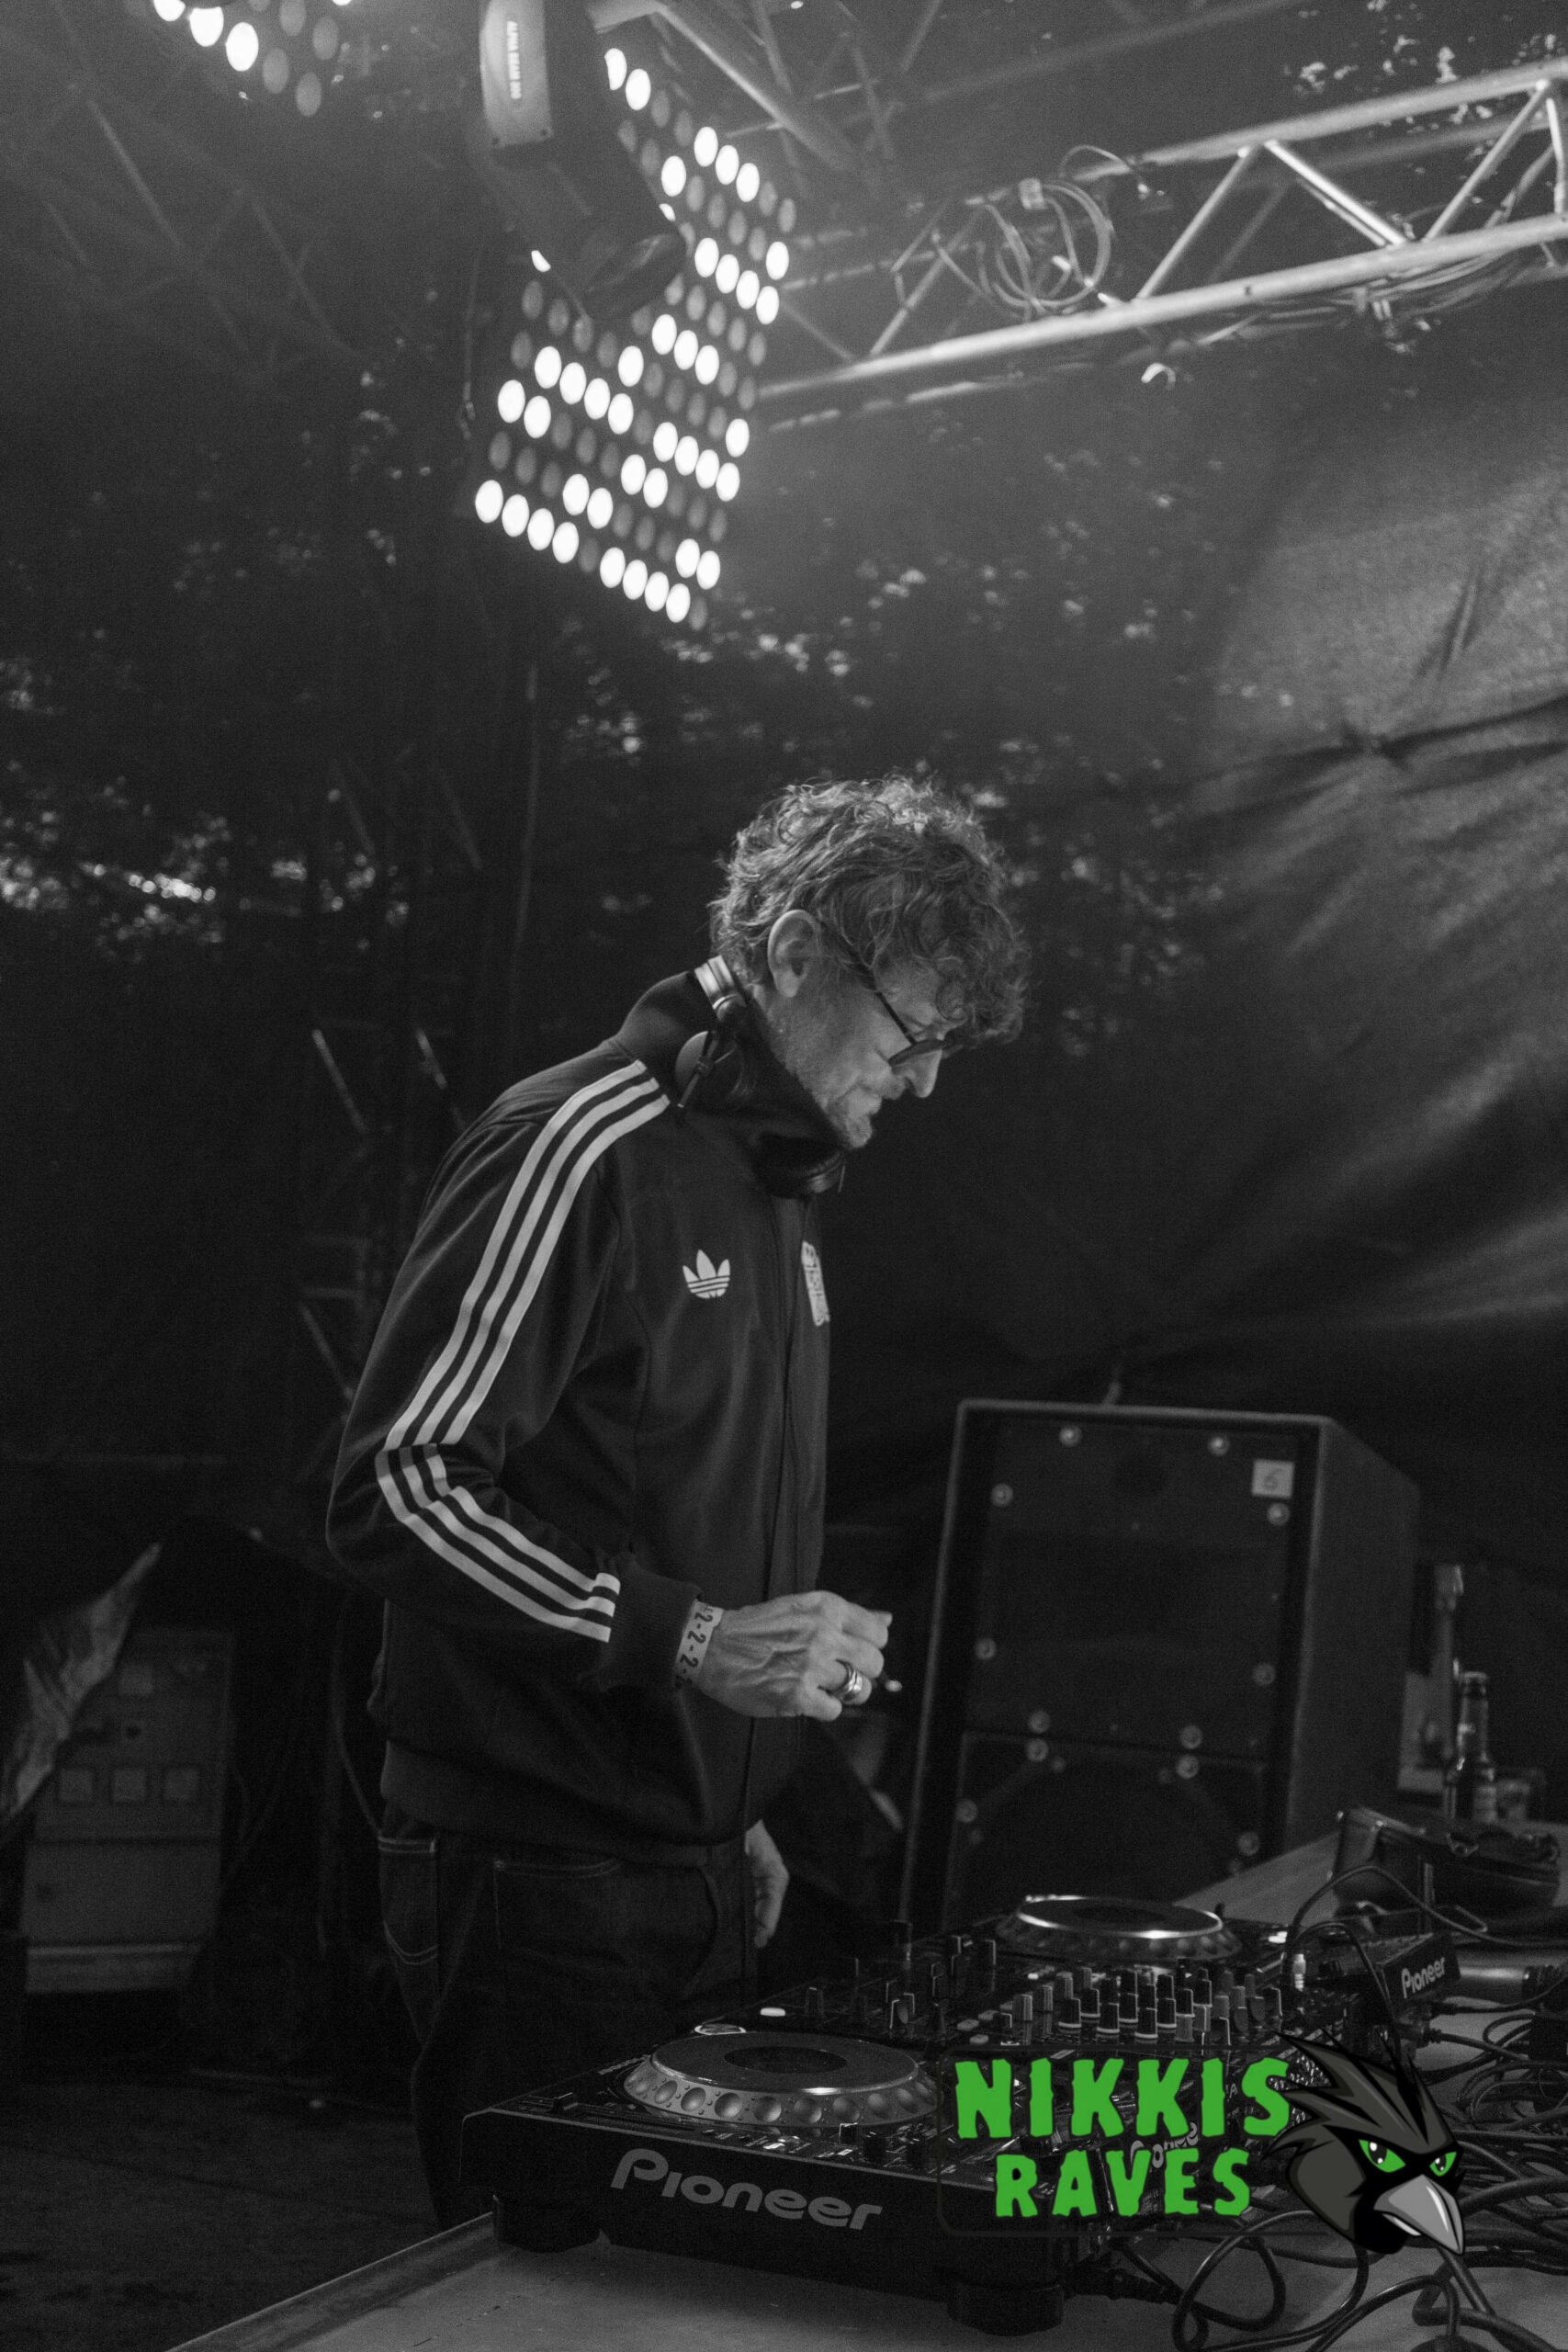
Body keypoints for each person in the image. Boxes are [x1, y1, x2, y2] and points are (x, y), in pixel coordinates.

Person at [325, 774, 1028, 2224]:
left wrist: (728, 1800)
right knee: (541, 2286)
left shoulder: (775, 1182)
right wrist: (696, 1645)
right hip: (533, 1868)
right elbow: (398, 1483)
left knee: (659, 2287)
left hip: (691, 1858)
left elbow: (674, 1507)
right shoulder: (580, 1143)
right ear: (794, 953)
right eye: (910, 1034)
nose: (924, 1081)